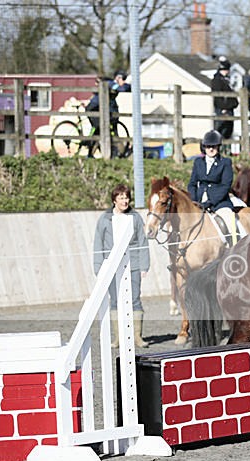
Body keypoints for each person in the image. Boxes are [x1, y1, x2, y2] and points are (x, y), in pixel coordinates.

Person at [93, 183, 150, 348]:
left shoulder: (136, 217)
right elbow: (98, 243)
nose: (125, 201)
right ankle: (118, 338)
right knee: (115, 300)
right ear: (114, 200)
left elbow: (142, 241)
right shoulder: (104, 219)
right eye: (121, 198)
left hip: (133, 264)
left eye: (127, 198)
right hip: (111, 265)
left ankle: (137, 336)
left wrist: (144, 266)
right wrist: (99, 268)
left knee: (135, 300)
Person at [188, 130, 235, 235]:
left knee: (228, 221)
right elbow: (192, 184)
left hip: (219, 203)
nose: (211, 149)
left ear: (218, 147)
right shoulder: (198, 162)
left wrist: (210, 201)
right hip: (199, 202)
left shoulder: (225, 162)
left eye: (214, 146)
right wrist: (194, 201)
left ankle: (232, 246)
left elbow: (225, 185)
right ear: (204, 147)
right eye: (208, 146)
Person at [85, 70, 131, 156]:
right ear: (118, 78)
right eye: (122, 78)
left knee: (109, 130)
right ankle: (90, 152)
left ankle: (119, 152)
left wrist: (124, 84)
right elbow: (122, 88)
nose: (124, 81)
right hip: (94, 109)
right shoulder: (111, 84)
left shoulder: (113, 83)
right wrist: (122, 84)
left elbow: (128, 87)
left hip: (107, 110)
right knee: (99, 129)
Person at [211, 57, 239, 149]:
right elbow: (218, 96)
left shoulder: (226, 80)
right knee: (221, 130)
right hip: (223, 108)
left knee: (228, 131)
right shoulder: (217, 80)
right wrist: (223, 107)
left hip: (229, 107)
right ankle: (220, 150)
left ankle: (226, 150)